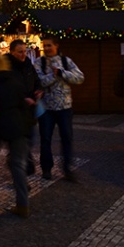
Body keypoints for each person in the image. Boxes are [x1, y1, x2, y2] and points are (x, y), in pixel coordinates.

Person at [0, 53, 33, 218]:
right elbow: (22, 102)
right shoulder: (14, 80)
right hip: (16, 125)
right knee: (17, 165)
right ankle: (23, 204)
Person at [33, 35, 84, 182]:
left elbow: (80, 78)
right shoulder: (39, 62)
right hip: (46, 109)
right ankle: (46, 169)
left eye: (49, 45)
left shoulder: (66, 62)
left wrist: (62, 73)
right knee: (46, 139)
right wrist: (53, 75)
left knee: (67, 138)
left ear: (56, 46)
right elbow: (41, 81)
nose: (47, 48)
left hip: (65, 108)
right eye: (45, 45)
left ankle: (68, 169)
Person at [5, 39, 43, 176]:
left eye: (25, 51)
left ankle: (18, 161)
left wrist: (38, 90)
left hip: (29, 111)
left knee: (30, 139)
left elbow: (36, 81)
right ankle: (20, 170)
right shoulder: (7, 67)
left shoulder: (28, 65)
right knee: (20, 142)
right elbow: (7, 90)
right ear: (12, 52)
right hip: (15, 111)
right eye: (20, 52)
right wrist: (22, 99)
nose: (23, 55)